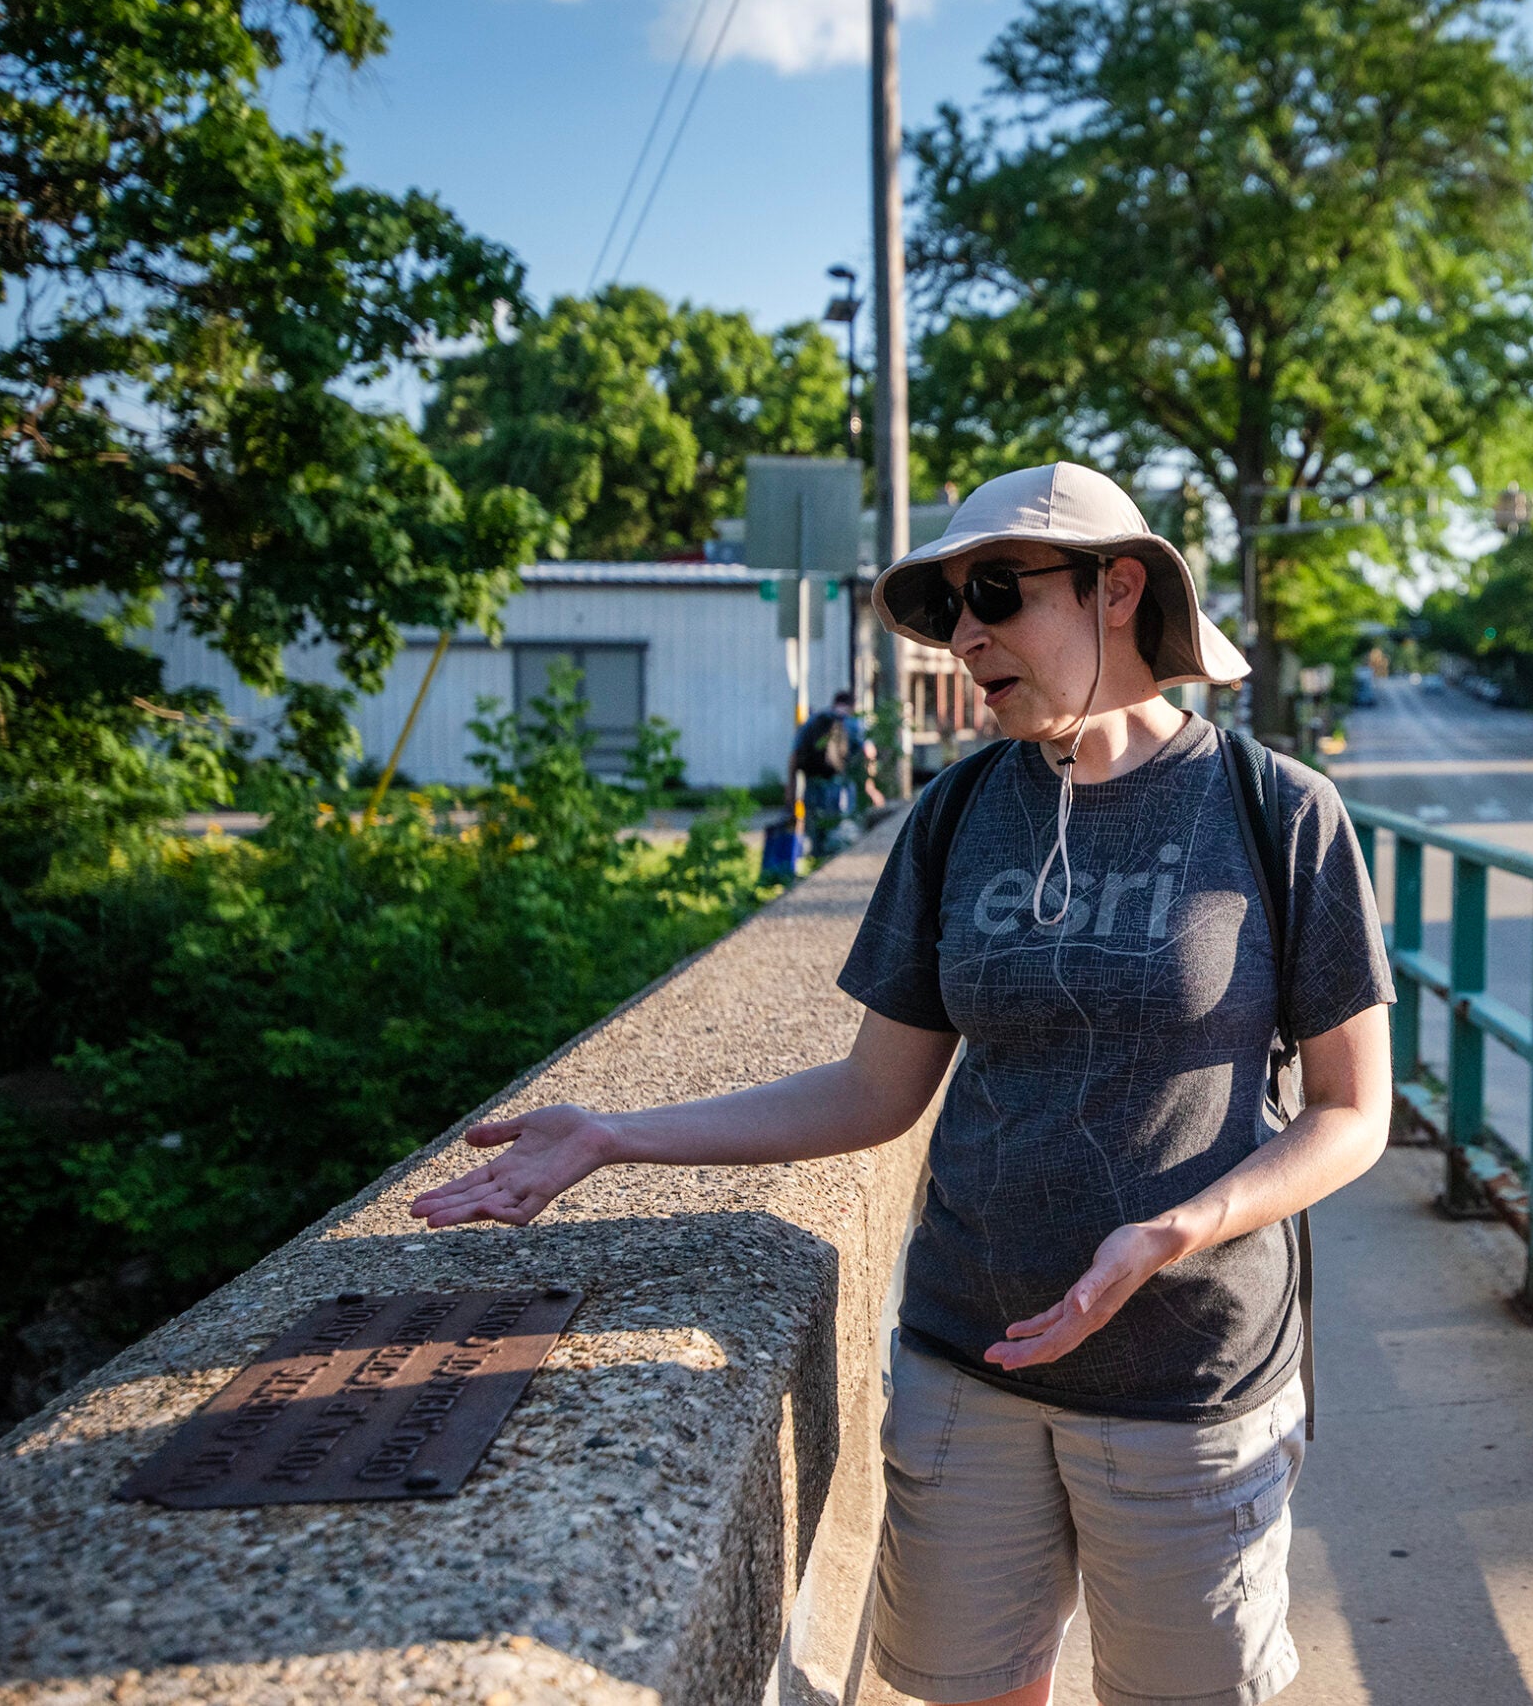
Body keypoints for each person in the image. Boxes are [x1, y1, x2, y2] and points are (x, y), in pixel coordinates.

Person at [410, 460, 1395, 1706]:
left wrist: (1179, 1227)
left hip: (1187, 1378)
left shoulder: (1274, 811)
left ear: (1117, 589)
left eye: (993, 591)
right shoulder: (956, 814)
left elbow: (1354, 1112)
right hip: (965, 1359)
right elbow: (874, 1093)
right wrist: (613, 1133)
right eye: (944, 609)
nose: (965, 632)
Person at [786, 687, 880, 858]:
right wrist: (870, 786)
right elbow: (869, 753)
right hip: (838, 789)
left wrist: (791, 794)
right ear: (852, 706)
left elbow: (793, 758)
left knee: (816, 839)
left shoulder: (812, 722)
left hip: (812, 788)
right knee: (839, 837)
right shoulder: (852, 723)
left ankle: (815, 866)